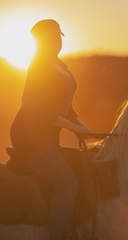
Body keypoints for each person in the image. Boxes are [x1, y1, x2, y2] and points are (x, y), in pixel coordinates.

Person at [10, 19, 92, 240]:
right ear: (41, 40)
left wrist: (84, 128)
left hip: (48, 136)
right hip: (30, 136)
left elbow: (66, 106)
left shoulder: (60, 66)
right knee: (66, 182)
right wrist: (74, 128)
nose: (57, 41)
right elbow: (41, 110)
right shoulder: (38, 67)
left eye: (59, 36)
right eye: (52, 37)